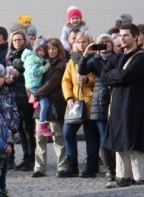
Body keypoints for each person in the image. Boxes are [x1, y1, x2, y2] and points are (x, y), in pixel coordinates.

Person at [100, 23, 144, 187]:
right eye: (120, 36)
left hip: (134, 105)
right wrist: (117, 75)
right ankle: (123, 176)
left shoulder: (141, 57)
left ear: (136, 36)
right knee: (120, 140)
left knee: (135, 141)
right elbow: (103, 75)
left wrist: (115, 75)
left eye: (126, 36)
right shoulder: (117, 56)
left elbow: (126, 76)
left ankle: (141, 176)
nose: (122, 39)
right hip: (117, 105)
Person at [60, 32, 99, 178]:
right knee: (67, 132)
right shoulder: (72, 60)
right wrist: (69, 97)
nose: (81, 44)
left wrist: (88, 81)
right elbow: (66, 81)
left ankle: (92, 166)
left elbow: (101, 78)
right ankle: (72, 166)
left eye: (84, 42)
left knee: (91, 135)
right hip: (75, 103)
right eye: (79, 42)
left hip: (90, 101)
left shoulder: (96, 58)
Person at [79, 34, 116, 182]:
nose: (105, 44)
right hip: (100, 99)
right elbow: (82, 71)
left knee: (115, 134)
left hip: (115, 96)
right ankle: (109, 168)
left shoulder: (117, 57)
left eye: (107, 42)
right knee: (103, 136)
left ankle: (118, 166)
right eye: (101, 43)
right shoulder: (95, 60)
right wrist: (85, 55)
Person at [31, 39, 67, 178]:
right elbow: (32, 80)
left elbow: (52, 83)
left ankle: (62, 166)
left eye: (54, 48)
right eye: (49, 48)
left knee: (58, 138)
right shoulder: (41, 63)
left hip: (55, 105)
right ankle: (39, 168)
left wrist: (36, 94)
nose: (51, 51)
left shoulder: (62, 64)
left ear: (59, 49)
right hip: (40, 106)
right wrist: (32, 92)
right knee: (40, 139)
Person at [6, 30, 36, 171]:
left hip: (25, 95)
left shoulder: (28, 54)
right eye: (15, 40)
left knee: (28, 128)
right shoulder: (11, 56)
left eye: (19, 39)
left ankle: (32, 158)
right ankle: (25, 157)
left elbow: (33, 75)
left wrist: (18, 75)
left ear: (25, 40)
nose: (17, 42)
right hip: (14, 95)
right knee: (21, 129)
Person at [23, 37, 53, 136]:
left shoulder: (36, 58)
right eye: (39, 50)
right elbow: (35, 72)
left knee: (42, 104)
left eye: (44, 50)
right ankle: (42, 125)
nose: (42, 52)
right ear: (35, 49)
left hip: (33, 84)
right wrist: (45, 67)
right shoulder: (32, 59)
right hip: (34, 85)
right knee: (45, 104)